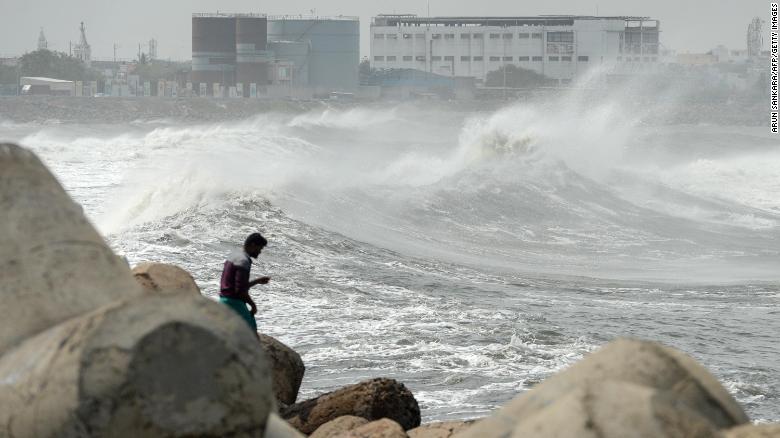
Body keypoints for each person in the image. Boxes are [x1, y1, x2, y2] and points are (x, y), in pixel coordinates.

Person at [219, 232, 270, 333]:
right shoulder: (244, 261)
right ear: (253, 245)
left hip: (223, 300)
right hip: (234, 302)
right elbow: (240, 291)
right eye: (260, 248)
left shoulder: (234, 256)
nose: (260, 252)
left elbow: (236, 285)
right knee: (251, 332)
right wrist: (253, 305)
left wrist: (257, 281)